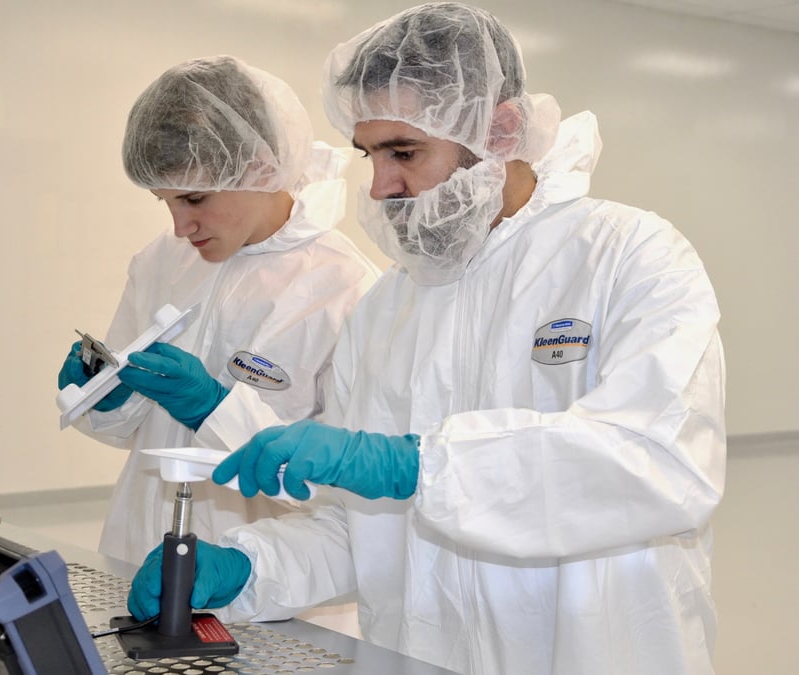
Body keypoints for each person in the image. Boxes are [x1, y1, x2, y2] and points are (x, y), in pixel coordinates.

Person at [127, 5, 726, 675]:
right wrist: (250, 567)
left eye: (403, 151)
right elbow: (360, 529)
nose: (380, 186)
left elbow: (659, 462)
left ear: (499, 131)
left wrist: (420, 465)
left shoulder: (629, 256)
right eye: (370, 154)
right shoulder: (388, 308)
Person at [56, 55, 379, 572]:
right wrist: (104, 395)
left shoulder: (344, 287)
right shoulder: (162, 260)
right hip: (137, 553)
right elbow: (125, 431)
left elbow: (338, 489)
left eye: (194, 198)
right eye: (166, 202)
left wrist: (214, 410)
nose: (181, 226)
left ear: (259, 166)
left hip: (258, 580)